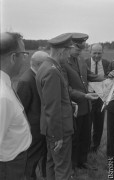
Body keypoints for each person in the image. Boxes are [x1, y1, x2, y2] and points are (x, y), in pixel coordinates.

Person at [61, 33, 104, 170]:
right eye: (77, 49)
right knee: (75, 138)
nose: (79, 52)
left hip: (86, 106)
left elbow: (90, 76)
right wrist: (84, 96)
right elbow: (66, 89)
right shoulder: (62, 63)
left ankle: (82, 161)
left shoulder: (80, 60)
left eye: (81, 49)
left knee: (85, 136)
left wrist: (107, 77)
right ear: (70, 46)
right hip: (74, 108)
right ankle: (73, 165)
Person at [36, 33, 74, 180]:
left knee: (52, 163)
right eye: (68, 53)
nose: (69, 57)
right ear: (61, 51)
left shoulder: (46, 66)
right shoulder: (52, 71)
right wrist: (57, 135)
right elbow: (53, 107)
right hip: (59, 130)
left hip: (51, 127)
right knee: (63, 168)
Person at [0, 32, 32, 180]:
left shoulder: (6, 84)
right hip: (9, 167)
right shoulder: (3, 96)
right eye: (24, 54)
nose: (25, 59)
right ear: (13, 58)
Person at [17, 51, 49, 180]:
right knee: (31, 158)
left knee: (41, 155)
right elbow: (21, 109)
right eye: (47, 63)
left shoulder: (37, 76)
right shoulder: (26, 80)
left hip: (41, 126)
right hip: (33, 129)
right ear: (40, 64)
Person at [85, 43, 110, 153]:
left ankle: (95, 146)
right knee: (87, 122)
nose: (97, 55)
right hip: (88, 97)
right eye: (94, 53)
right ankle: (85, 145)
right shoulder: (84, 63)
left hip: (101, 97)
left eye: (99, 53)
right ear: (90, 52)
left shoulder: (107, 64)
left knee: (99, 123)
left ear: (102, 53)